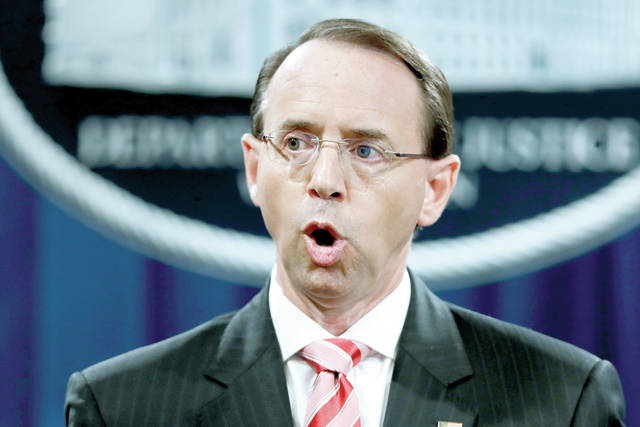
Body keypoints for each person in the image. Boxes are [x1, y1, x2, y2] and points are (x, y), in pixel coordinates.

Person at [65, 18, 626, 426]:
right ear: (255, 169)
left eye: (365, 151)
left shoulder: (561, 400)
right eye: (296, 143)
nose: (325, 179)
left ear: (434, 190)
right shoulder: (121, 406)